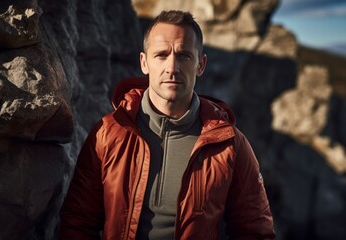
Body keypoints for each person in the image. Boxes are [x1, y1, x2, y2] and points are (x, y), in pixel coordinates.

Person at [59, 10, 276, 240]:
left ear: (201, 65)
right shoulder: (108, 133)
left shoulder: (230, 145)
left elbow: (256, 232)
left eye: (184, 55)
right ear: (144, 63)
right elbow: (77, 224)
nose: (172, 67)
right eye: (161, 55)